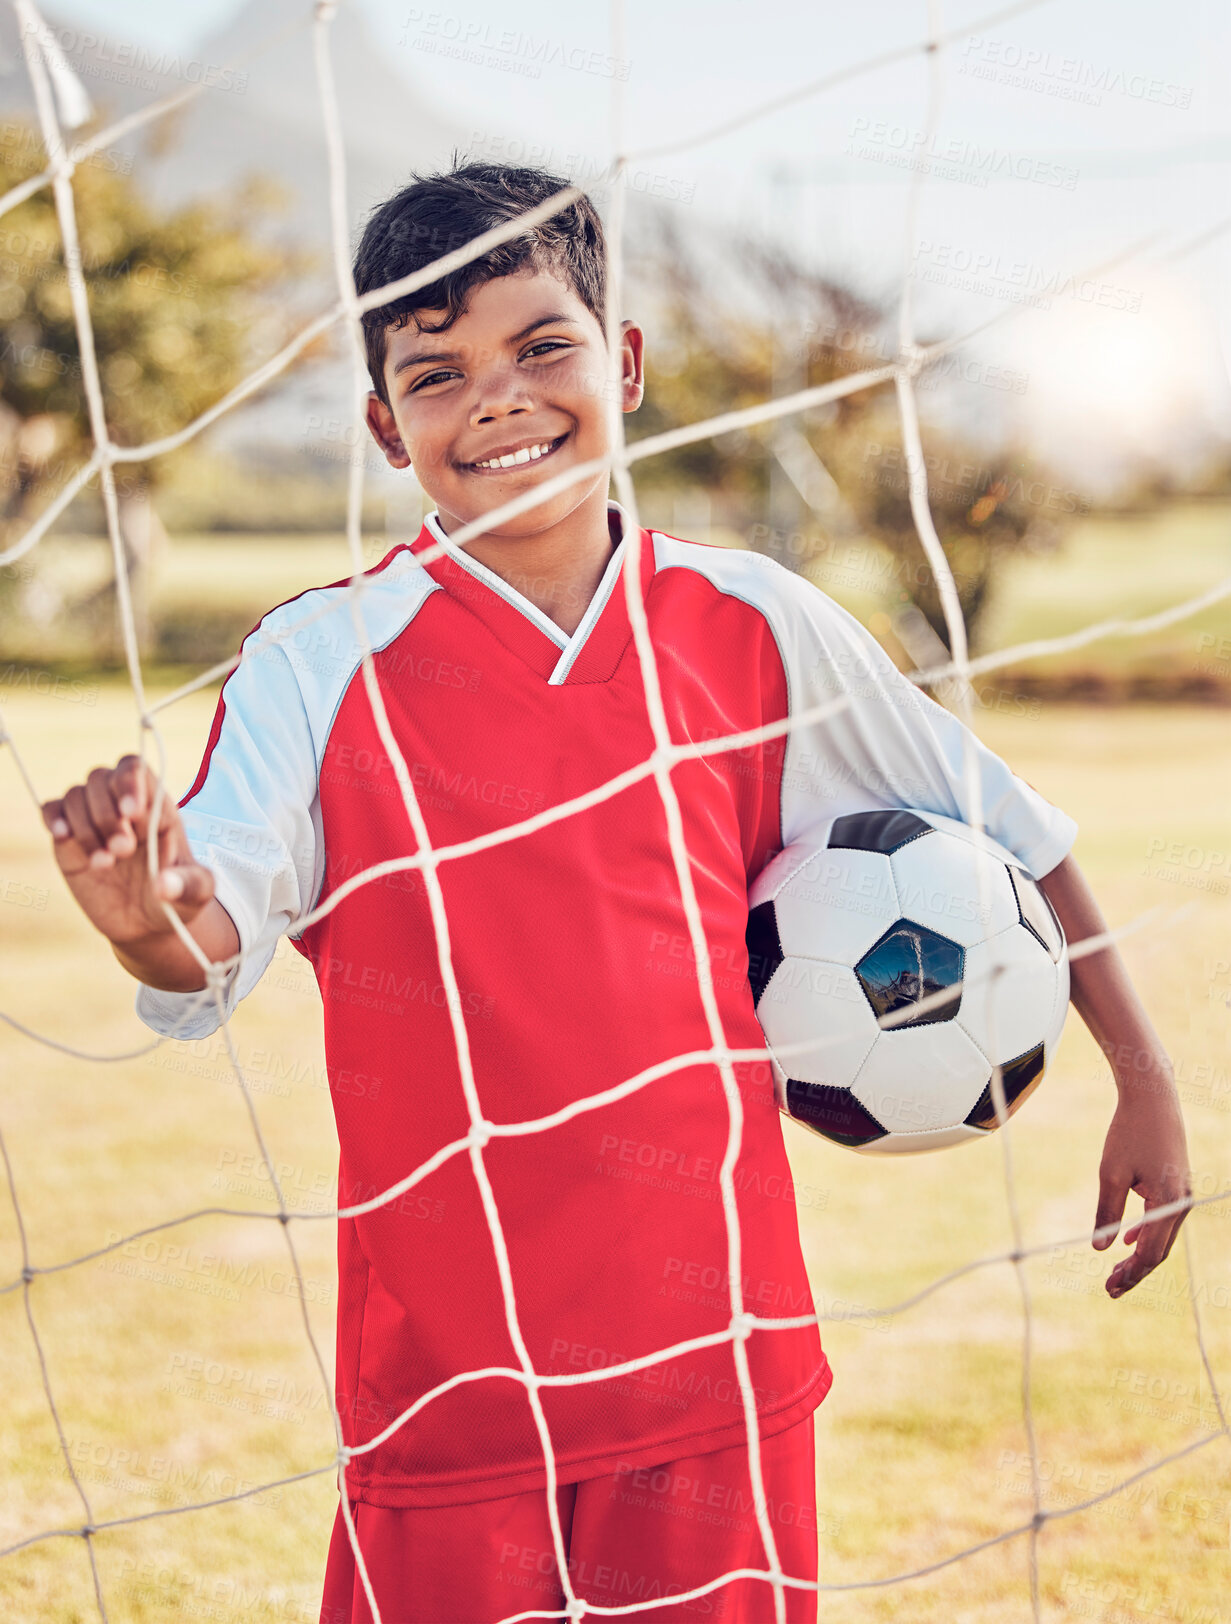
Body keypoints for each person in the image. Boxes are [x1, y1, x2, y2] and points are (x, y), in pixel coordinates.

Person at [41, 164, 1191, 1624]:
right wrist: (145, 913)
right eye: (437, 375)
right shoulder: (321, 663)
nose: (499, 401)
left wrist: (1144, 1080)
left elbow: (1008, 831)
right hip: (452, 1393)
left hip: (721, 1367)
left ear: (625, 362)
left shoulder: (754, 624)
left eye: (541, 349)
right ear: (387, 427)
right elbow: (213, 936)